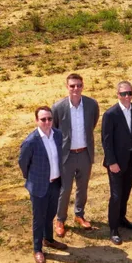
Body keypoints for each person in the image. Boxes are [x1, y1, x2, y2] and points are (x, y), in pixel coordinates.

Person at [50, 73, 100, 236]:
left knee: (82, 187)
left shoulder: (91, 104)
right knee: (65, 189)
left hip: (84, 153)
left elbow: (92, 123)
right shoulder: (58, 107)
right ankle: (60, 219)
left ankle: (79, 214)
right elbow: (55, 129)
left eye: (78, 85)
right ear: (67, 87)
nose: (76, 89)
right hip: (67, 156)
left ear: (83, 86)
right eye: (72, 86)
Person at [18, 107, 69, 263]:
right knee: (38, 218)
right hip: (39, 186)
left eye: (49, 119)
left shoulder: (58, 135)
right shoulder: (31, 141)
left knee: (50, 214)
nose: (47, 122)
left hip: (55, 183)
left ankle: (49, 239)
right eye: (43, 119)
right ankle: (37, 249)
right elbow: (23, 163)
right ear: (36, 121)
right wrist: (31, 178)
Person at [101, 81, 132, 245]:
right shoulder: (111, 114)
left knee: (126, 193)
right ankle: (113, 229)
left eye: (129, 93)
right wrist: (111, 162)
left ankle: (122, 218)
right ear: (118, 95)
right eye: (123, 93)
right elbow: (106, 140)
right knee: (116, 195)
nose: (127, 96)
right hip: (116, 163)